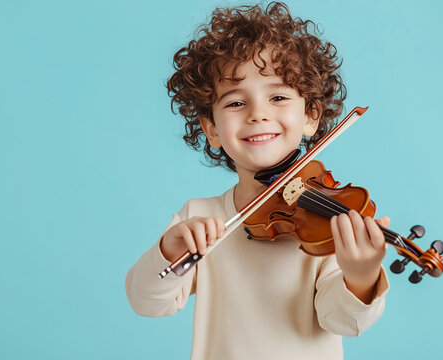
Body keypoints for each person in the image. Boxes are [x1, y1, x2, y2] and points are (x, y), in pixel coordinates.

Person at [125, 2, 390, 359]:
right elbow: (147, 302)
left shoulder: (330, 228)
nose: (258, 114)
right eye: (236, 104)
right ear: (212, 129)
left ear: (310, 116)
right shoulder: (201, 218)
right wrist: (168, 252)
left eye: (278, 97)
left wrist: (361, 275)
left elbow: (341, 321)